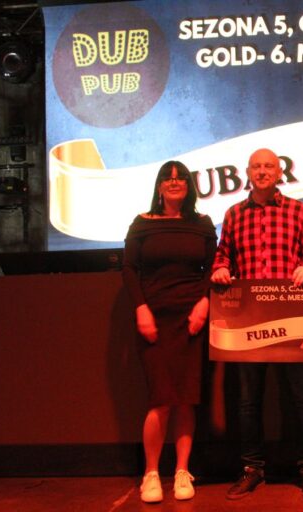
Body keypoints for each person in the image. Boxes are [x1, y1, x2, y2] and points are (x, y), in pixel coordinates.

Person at [211, 148, 303, 501]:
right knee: (248, 400)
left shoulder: (297, 211)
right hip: (248, 322)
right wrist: (220, 268)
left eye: (268, 166)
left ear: (279, 173)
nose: (262, 171)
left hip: (290, 317)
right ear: (247, 172)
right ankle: (252, 468)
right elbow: (222, 254)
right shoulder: (233, 214)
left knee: (301, 397)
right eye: (256, 166)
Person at [122, 161, 217, 503]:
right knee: (160, 398)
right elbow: (129, 269)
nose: (174, 182)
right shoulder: (142, 223)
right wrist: (141, 309)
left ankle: (181, 471)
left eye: (180, 178)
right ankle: (151, 473)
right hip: (154, 319)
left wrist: (204, 304)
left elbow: (212, 268)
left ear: (189, 185)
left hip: (191, 319)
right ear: (159, 186)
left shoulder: (202, 224)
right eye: (168, 178)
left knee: (186, 399)